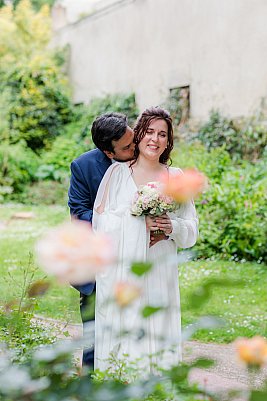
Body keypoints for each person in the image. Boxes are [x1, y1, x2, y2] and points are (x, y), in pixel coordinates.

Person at [92, 107, 198, 373]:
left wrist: (171, 226)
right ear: (138, 135)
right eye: (149, 131)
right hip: (126, 269)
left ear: (168, 141)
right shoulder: (117, 174)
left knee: (160, 324)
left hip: (161, 266)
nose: (155, 139)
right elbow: (100, 223)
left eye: (162, 134)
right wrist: (139, 224)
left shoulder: (176, 178)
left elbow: (192, 229)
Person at [68, 112, 135, 368]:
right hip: (96, 264)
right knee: (93, 337)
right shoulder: (83, 166)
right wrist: (118, 222)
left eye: (133, 139)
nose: (135, 148)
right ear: (109, 152)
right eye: (127, 147)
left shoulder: (142, 160)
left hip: (134, 261)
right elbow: (79, 213)